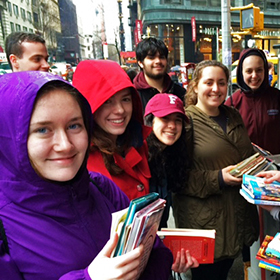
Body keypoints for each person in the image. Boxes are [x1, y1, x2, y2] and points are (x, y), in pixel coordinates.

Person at [0, 71, 173, 280]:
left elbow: (157, 253)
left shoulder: (101, 187)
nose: (65, 145)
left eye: (74, 126)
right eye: (43, 130)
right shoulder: (5, 224)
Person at [172, 60, 259, 280]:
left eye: (221, 83)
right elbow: (176, 178)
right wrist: (218, 178)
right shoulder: (185, 121)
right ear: (195, 86)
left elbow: (244, 153)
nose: (216, 89)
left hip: (235, 216)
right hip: (204, 223)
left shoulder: (233, 114)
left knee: (224, 272)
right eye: (208, 82)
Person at [72, 59, 151, 201]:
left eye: (125, 99)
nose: (120, 110)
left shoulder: (137, 142)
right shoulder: (78, 159)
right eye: (107, 101)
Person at [144, 93, 190, 229]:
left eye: (178, 120)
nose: (172, 126)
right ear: (150, 121)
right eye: (165, 118)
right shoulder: (141, 158)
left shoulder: (171, 155)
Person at [224, 48, 280, 155]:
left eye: (259, 70)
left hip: (276, 166)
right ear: (241, 73)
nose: (254, 76)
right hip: (244, 167)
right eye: (249, 71)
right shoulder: (232, 103)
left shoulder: (277, 97)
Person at [134, 37, 186, 111]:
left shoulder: (180, 93)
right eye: (151, 58)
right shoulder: (133, 95)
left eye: (161, 57)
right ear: (141, 63)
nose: (158, 61)